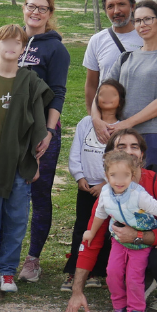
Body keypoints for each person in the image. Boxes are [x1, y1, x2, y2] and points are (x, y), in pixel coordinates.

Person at [63, 129, 157, 312]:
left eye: (134, 146)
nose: (129, 151)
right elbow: (91, 240)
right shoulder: (108, 192)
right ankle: (142, 280)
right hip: (135, 246)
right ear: (110, 156)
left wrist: (137, 236)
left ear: (142, 154)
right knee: (114, 252)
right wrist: (77, 292)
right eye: (121, 146)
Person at [0, 24, 51, 294]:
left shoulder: (30, 81)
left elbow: (37, 127)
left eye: (17, 42)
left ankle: (7, 271)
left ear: (23, 49)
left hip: (20, 162)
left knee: (17, 218)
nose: (10, 46)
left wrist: (36, 162)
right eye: (5, 41)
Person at [82, 150, 157, 312]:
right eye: (114, 175)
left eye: (125, 175)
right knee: (113, 273)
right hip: (119, 240)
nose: (119, 180)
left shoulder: (139, 195)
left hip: (140, 243)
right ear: (106, 176)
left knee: (133, 277)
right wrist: (91, 231)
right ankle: (119, 308)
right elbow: (101, 212)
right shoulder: (106, 192)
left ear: (133, 175)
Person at [16, 0, 70, 283]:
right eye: (30, 6)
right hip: (10, 133)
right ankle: (3, 253)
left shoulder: (56, 49)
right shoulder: (12, 40)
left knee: (39, 194)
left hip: (41, 133)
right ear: (23, 8)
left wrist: (49, 131)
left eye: (42, 8)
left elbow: (59, 93)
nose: (35, 12)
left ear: (50, 14)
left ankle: (33, 259)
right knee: (9, 192)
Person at [97, 0, 157, 178]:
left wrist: (128, 123)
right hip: (124, 137)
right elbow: (104, 91)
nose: (142, 25)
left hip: (156, 135)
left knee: (155, 193)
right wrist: (95, 119)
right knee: (123, 189)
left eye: (148, 19)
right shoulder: (125, 58)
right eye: (137, 20)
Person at [82, 0, 157, 130]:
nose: (116, 11)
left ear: (132, 6)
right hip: (107, 122)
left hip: (147, 124)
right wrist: (94, 119)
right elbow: (91, 84)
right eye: (110, 6)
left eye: (122, 4)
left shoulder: (149, 34)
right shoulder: (97, 40)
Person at [62, 81, 122, 291]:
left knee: (105, 231)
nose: (106, 98)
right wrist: (79, 177)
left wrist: (106, 184)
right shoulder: (85, 123)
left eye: (112, 94)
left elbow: (123, 162)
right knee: (82, 228)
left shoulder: (122, 128)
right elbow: (75, 152)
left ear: (121, 99)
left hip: (110, 190)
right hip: (86, 188)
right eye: (102, 94)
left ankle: (97, 272)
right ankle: (74, 270)